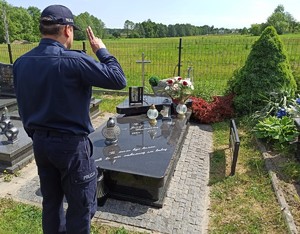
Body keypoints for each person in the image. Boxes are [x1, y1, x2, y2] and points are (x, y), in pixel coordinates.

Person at [13, 4, 126, 234]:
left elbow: (23, 105)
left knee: (51, 203)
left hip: (41, 145)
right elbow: (118, 79)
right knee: (81, 206)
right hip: (71, 147)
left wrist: (36, 134)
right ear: (67, 30)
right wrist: (101, 50)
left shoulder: (21, 63)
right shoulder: (75, 61)